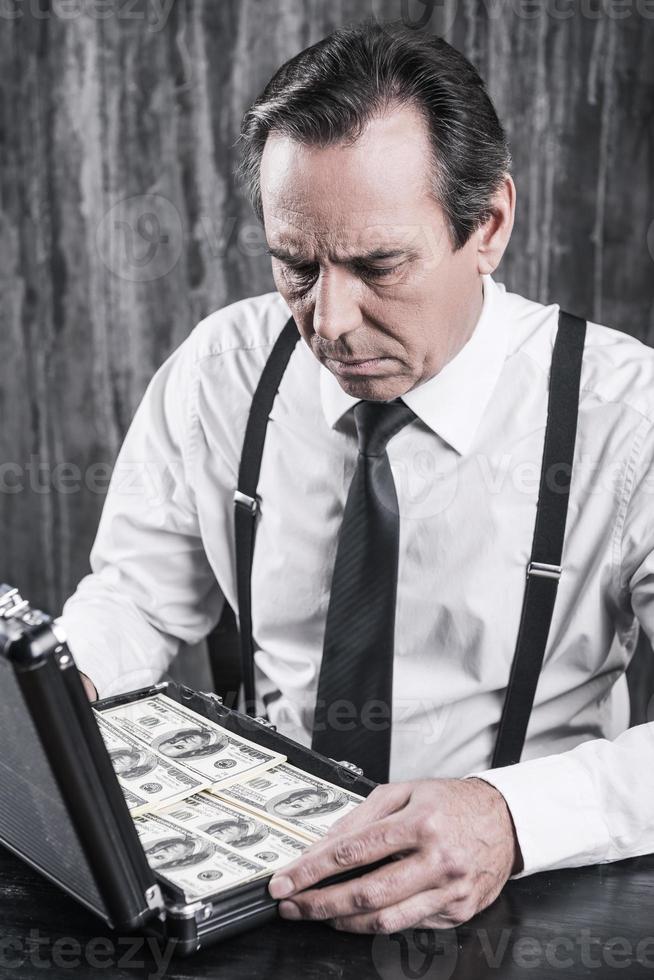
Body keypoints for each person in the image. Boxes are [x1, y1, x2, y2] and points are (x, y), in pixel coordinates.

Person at [61, 20, 654, 933]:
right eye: (296, 265)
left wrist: (512, 816)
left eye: (380, 265)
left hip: (523, 904)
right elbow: (136, 600)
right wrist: (61, 699)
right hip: (249, 888)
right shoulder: (223, 368)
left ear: (488, 225)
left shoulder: (628, 415)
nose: (330, 321)